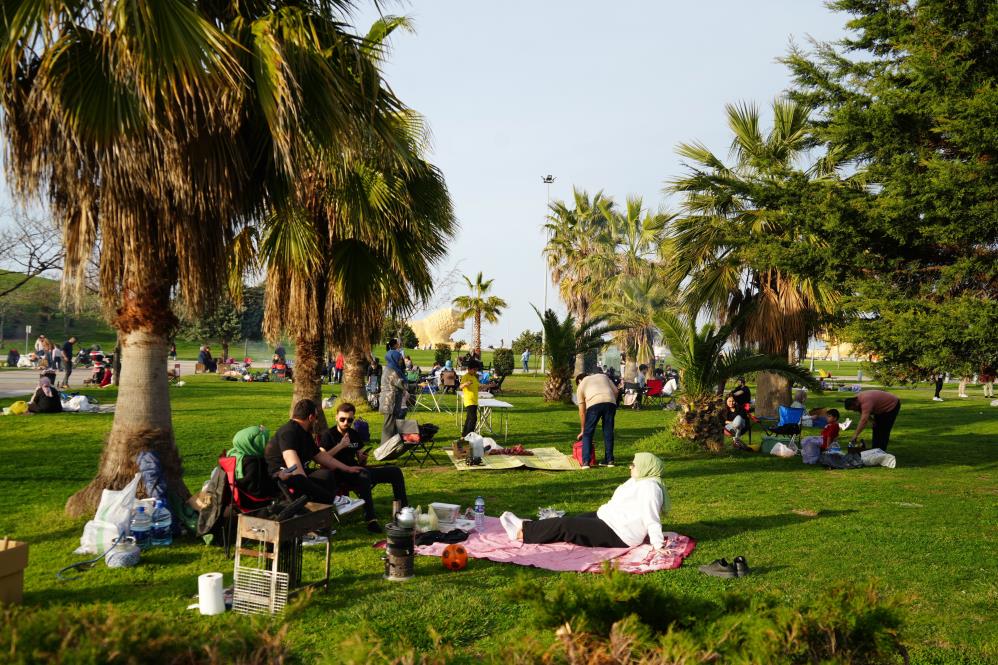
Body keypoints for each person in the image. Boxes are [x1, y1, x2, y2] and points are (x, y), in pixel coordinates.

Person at [499, 452, 670, 551]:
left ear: (647, 468)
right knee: (571, 522)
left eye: (634, 465)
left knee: (565, 525)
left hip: (618, 534)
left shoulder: (650, 488)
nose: (630, 467)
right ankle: (528, 526)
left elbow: (652, 518)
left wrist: (658, 545)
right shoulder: (638, 480)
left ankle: (522, 531)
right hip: (607, 518)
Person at [321, 402, 408, 533]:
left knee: (395, 471)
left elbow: (360, 459)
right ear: (336, 417)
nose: (346, 422)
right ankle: (371, 519)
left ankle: (404, 511)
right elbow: (322, 458)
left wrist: (362, 457)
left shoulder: (354, 434)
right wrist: (340, 446)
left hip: (357, 470)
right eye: (342, 419)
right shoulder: (328, 435)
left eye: (349, 420)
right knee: (364, 475)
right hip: (338, 473)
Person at [263, 399, 363, 505]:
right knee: (300, 479)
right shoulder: (289, 432)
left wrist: (348, 469)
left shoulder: (304, 433)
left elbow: (320, 456)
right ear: (311, 417)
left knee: (326, 474)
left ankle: (328, 507)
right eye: (316, 417)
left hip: (297, 473)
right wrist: (306, 482)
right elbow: (293, 464)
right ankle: (335, 501)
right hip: (281, 476)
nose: (316, 421)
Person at [576, 371, 619, 467]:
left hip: (594, 404)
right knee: (608, 432)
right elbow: (616, 391)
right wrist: (611, 401)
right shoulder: (603, 376)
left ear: (579, 381)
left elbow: (582, 413)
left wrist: (583, 430)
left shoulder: (581, 385)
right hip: (610, 403)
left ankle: (586, 462)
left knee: (588, 433)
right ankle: (609, 460)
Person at [379, 339, 407, 443]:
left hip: (392, 401)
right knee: (388, 427)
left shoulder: (392, 369)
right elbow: (402, 384)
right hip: (390, 402)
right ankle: (384, 448)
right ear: (394, 358)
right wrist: (417, 385)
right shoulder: (391, 371)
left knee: (392, 425)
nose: (400, 361)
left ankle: (391, 447)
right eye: (399, 359)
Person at [460, 359, 481, 436]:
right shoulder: (466, 376)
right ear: (469, 369)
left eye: (476, 370)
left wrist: (490, 386)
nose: (476, 371)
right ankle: (470, 435)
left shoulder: (474, 377)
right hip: (469, 401)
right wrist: (466, 384)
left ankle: (464, 435)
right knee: (473, 419)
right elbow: (461, 386)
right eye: (474, 370)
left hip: (474, 401)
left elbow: (479, 387)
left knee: (469, 418)